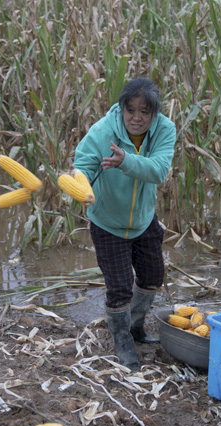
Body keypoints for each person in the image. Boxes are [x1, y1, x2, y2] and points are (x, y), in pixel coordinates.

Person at [73, 77, 177, 369]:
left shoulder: (165, 130)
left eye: (145, 111)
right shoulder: (103, 131)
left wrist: (125, 161)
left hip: (143, 219)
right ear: (122, 109)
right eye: (131, 110)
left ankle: (135, 326)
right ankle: (122, 341)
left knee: (153, 277)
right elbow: (83, 165)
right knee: (119, 288)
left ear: (154, 113)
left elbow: (159, 171)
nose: (137, 117)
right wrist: (78, 181)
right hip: (108, 222)